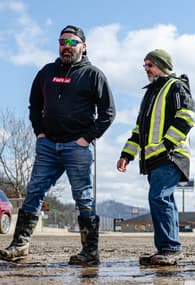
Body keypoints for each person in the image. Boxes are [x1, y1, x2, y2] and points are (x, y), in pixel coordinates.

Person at [1, 25, 115, 266]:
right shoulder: (46, 72)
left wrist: (86, 138)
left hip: (77, 147)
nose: (66, 46)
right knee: (34, 192)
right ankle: (20, 244)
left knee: (83, 198)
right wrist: (39, 132)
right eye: (62, 41)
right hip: (48, 146)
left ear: (84, 47)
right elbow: (34, 105)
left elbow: (108, 113)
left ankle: (90, 252)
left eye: (73, 43)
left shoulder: (94, 75)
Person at [117, 49, 195, 266]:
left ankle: (170, 249)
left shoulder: (176, 86)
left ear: (162, 65)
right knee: (164, 200)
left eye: (149, 65)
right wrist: (127, 154)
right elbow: (138, 130)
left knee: (159, 197)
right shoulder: (150, 93)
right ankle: (167, 249)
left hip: (171, 156)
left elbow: (186, 118)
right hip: (154, 159)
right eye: (145, 65)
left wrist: (166, 145)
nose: (146, 69)